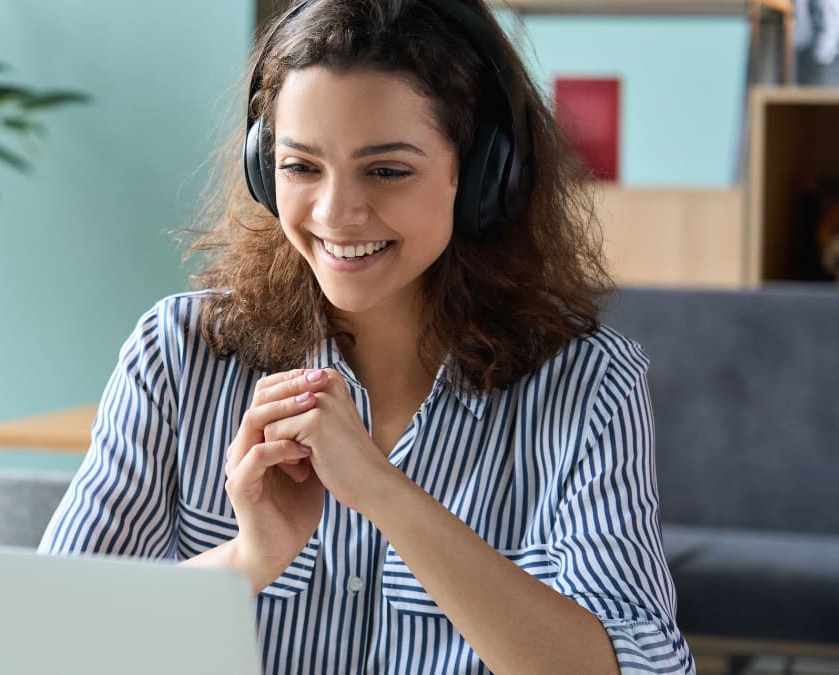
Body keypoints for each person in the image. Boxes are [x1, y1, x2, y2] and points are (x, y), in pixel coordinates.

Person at [39, 0, 694, 673]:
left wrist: (385, 492)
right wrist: (247, 558)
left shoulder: (589, 387)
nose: (337, 214)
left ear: (481, 177)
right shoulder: (178, 355)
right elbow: (44, 642)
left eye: (386, 170)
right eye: (300, 167)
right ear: (265, 169)